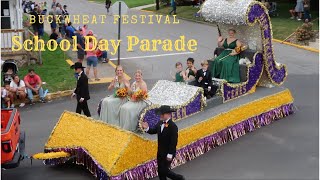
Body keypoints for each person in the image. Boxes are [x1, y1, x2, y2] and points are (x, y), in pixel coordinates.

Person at [142, 105, 185, 180]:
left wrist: (170, 154)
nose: (160, 115)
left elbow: (173, 142)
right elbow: (153, 131)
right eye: (160, 114)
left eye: (162, 114)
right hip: (160, 152)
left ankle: (179, 178)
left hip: (168, 153)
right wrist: (147, 128)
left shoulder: (173, 126)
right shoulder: (160, 123)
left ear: (168, 114)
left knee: (164, 170)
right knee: (160, 171)